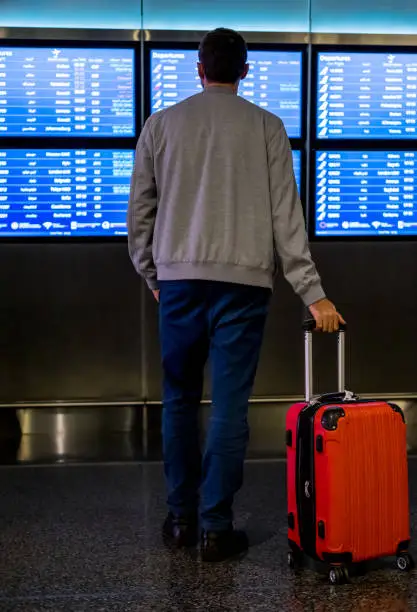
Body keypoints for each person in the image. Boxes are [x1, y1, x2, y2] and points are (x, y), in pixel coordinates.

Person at [127, 28, 345, 563]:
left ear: (198, 69)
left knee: (178, 399)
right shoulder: (268, 128)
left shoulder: (161, 125)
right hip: (244, 285)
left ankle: (180, 519)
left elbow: (140, 214)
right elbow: (286, 219)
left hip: (179, 283)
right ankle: (215, 530)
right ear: (245, 71)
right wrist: (313, 293)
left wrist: (155, 274)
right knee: (229, 405)